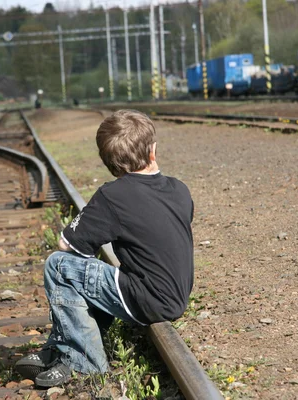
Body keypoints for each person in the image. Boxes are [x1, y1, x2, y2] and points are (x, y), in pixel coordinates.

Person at [15, 109, 194, 387]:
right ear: (153, 151)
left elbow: (67, 244)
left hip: (146, 299)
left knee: (58, 265)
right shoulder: (179, 189)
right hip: (177, 296)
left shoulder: (113, 195)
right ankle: (62, 346)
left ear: (108, 163)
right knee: (95, 274)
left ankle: (84, 362)